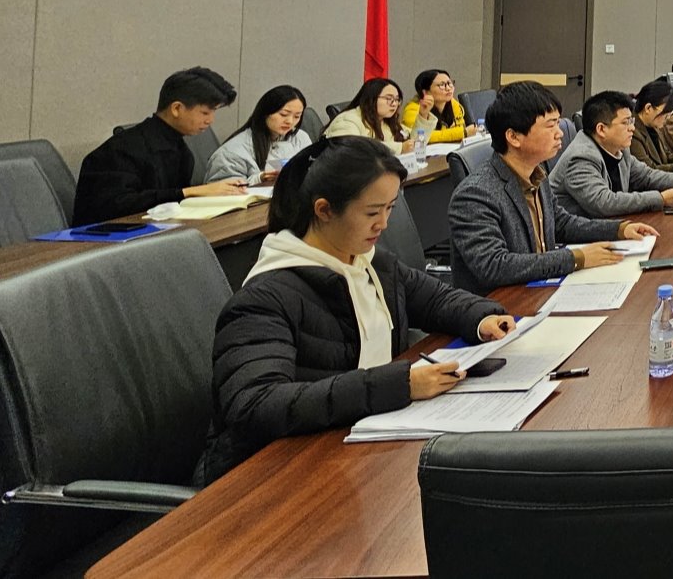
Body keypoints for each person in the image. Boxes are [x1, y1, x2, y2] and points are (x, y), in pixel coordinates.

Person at [194, 137, 513, 484]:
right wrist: (399, 384)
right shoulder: (264, 299)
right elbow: (256, 405)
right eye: (372, 212)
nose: (384, 224)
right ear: (324, 210)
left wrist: (481, 317)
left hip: (355, 444)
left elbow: (435, 299)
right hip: (272, 474)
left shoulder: (368, 264)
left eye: (390, 208)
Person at [449, 81, 660, 294]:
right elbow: (495, 266)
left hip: (539, 290)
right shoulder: (475, 194)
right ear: (513, 137)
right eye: (550, 126)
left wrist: (619, 229)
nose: (560, 133)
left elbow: (561, 223)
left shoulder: (536, 173)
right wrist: (577, 258)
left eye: (558, 123)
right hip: (500, 304)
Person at [73, 66, 244, 224]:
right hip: (106, 240)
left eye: (213, 112)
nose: (210, 120)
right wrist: (189, 193)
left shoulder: (181, 150)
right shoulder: (120, 150)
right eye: (205, 112)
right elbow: (117, 205)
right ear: (176, 108)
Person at [550, 90, 673, 218]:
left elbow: (646, 176)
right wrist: (661, 198)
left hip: (608, 224)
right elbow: (604, 203)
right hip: (578, 235)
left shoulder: (619, 149)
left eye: (631, 121)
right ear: (601, 129)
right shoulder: (581, 157)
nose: (632, 128)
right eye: (625, 122)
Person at [206, 85, 313, 184]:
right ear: (265, 112)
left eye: (297, 116)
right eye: (283, 114)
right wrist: (259, 179)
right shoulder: (231, 153)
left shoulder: (301, 138)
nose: (290, 121)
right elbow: (225, 190)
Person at [326, 78, 433, 153]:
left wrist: (423, 115)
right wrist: (400, 148)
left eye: (397, 99)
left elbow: (413, 143)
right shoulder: (348, 120)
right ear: (371, 99)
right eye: (389, 98)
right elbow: (353, 149)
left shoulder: (386, 121)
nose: (394, 104)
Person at [404, 69, 478, 144]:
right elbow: (421, 136)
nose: (448, 88)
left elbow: (461, 126)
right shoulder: (412, 109)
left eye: (450, 83)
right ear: (426, 91)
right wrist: (462, 133)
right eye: (442, 85)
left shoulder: (454, 104)